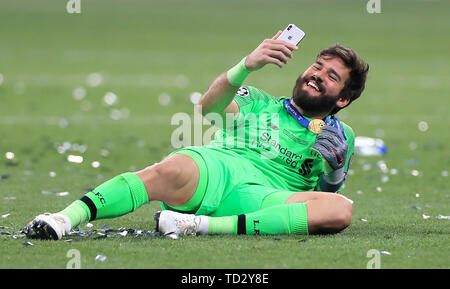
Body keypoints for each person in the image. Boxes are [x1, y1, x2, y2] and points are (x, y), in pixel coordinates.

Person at [24, 30, 369, 240]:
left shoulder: (341, 136)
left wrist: (335, 171)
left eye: (331, 76)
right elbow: (208, 108)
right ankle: (64, 219)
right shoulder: (259, 102)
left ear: (342, 98)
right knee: (169, 169)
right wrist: (246, 66)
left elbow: (322, 198)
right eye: (317, 66)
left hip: (265, 200)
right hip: (217, 172)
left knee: (339, 211)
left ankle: (199, 226)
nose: (317, 74)